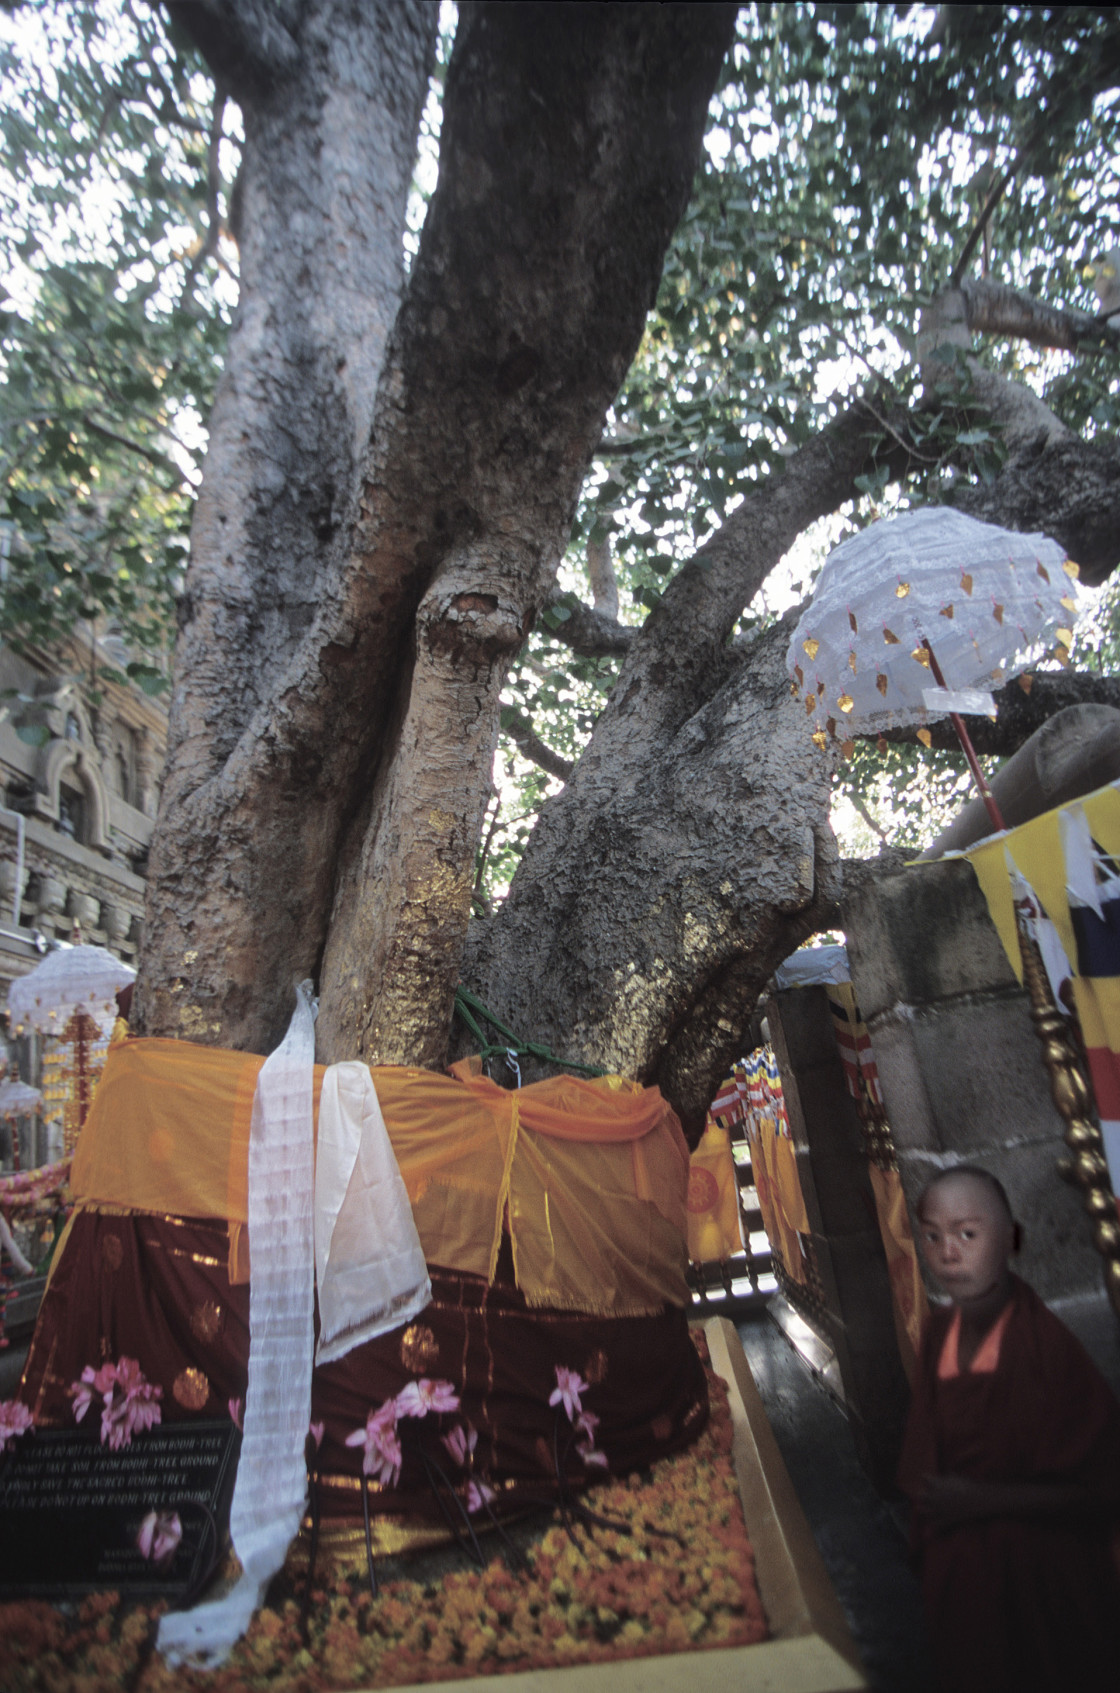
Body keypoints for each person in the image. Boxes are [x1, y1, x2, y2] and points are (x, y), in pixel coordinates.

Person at [898, 1164, 1120, 1693]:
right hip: (964, 1585)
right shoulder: (937, 1333)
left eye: (967, 1234)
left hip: (1044, 1581)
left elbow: (1102, 1488)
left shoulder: (1044, 1347)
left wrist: (985, 1501)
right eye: (933, 1236)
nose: (949, 1252)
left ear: (1011, 1239)